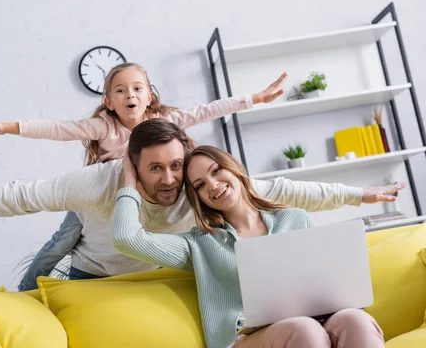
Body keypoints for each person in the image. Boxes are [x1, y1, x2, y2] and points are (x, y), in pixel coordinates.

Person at [0, 119, 406, 288]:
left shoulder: (202, 186)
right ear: (133, 165)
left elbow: (286, 190)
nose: (170, 179)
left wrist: (364, 192)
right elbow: (16, 196)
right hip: (98, 275)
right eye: (155, 168)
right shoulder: (99, 183)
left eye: (178, 167)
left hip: (165, 273)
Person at [0, 62, 288, 289]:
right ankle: (25, 293)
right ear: (109, 102)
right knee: (60, 244)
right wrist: (5, 128)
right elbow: (58, 129)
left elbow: (208, 110)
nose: (129, 94)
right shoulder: (104, 127)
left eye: (137, 88)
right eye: (119, 91)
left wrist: (256, 99)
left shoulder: (167, 122)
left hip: (143, 201)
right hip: (101, 198)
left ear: (149, 96)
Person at [112, 144, 385, 348]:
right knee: (305, 330)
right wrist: (129, 181)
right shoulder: (200, 244)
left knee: (354, 320)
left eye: (216, 171)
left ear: (234, 168)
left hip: (316, 319)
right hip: (248, 338)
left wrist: (343, 297)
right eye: (200, 185)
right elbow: (126, 238)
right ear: (198, 198)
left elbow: (325, 282)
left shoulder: (294, 218)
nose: (214, 185)